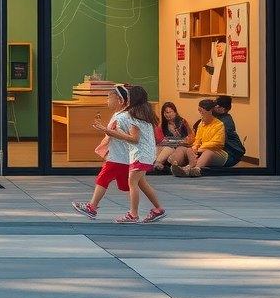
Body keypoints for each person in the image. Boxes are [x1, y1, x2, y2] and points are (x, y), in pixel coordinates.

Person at [90, 85, 165, 223]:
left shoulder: (133, 116)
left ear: (133, 99)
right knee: (142, 183)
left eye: (128, 97)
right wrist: (114, 132)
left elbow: (134, 139)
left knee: (132, 183)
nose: (126, 100)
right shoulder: (145, 114)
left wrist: (110, 131)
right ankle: (158, 209)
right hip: (148, 154)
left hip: (139, 154)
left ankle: (133, 215)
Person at [72, 86, 132, 220]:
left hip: (117, 157)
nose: (108, 100)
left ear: (120, 100)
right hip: (122, 157)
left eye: (110, 97)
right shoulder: (119, 115)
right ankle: (140, 209)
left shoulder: (122, 117)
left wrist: (104, 129)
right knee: (128, 186)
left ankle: (92, 207)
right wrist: (103, 128)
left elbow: (118, 134)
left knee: (103, 179)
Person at [167, 99, 227, 176]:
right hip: (200, 150)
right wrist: (195, 147)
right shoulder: (201, 124)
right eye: (199, 110)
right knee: (184, 148)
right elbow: (197, 140)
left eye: (203, 111)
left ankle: (195, 168)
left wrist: (200, 149)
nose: (201, 113)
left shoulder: (219, 124)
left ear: (210, 111)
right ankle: (177, 165)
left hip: (215, 152)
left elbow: (218, 143)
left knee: (208, 152)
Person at [152, 101, 192, 172]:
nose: (167, 115)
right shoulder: (163, 123)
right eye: (165, 112)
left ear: (175, 112)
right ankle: (156, 164)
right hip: (167, 145)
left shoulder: (182, 122)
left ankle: (158, 163)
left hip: (180, 146)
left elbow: (190, 136)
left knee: (168, 148)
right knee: (158, 147)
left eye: (170, 112)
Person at [214, 95, 246, 167]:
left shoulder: (224, 123)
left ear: (222, 109)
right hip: (222, 151)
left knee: (207, 153)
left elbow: (216, 142)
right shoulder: (214, 118)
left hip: (230, 155)